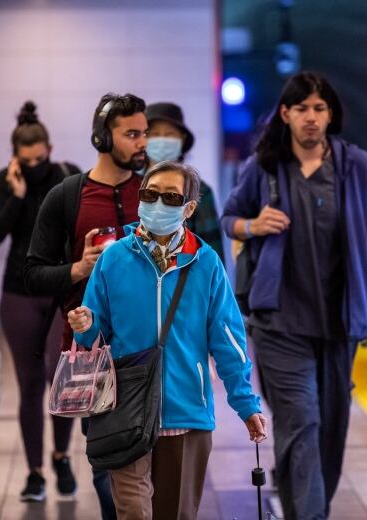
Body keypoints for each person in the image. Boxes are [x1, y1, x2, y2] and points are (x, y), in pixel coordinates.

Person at [221, 71, 367, 520]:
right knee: (302, 421)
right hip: (280, 323)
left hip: (340, 324)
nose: (311, 118)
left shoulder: (358, 167)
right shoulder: (264, 167)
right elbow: (230, 218)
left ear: (331, 114)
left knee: (331, 429)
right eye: (301, 109)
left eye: (319, 109)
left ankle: (307, 502)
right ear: (286, 114)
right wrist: (253, 226)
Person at [68, 160, 267, 519]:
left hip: (185, 414)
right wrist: (84, 326)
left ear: (190, 208)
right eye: (150, 194)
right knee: (133, 511)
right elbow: (94, 334)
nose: (158, 204)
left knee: (174, 514)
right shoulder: (114, 257)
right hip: (125, 411)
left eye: (172, 198)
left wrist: (246, 403)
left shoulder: (205, 264)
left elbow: (228, 340)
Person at [25, 93, 149, 519]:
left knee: (159, 459)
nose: (141, 143)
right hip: (91, 352)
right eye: (131, 134)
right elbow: (33, 273)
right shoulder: (67, 196)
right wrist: (78, 268)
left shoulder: (155, 192)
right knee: (107, 463)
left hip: (152, 348)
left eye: (144, 133)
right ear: (102, 136)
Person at [0, 101, 80, 502]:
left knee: (60, 380)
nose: (35, 165)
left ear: (50, 150)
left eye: (41, 158)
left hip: (61, 291)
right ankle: (35, 472)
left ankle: (60, 456)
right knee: (28, 385)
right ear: (16, 158)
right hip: (19, 293)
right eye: (27, 161)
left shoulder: (68, 176)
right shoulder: (5, 182)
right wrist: (18, 197)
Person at [144, 101, 226, 264]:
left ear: (182, 139)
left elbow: (212, 255)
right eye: (154, 134)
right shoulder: (129, 185)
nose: (162, 140)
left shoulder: (199, 190)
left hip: (183, 281)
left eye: (169, 134)